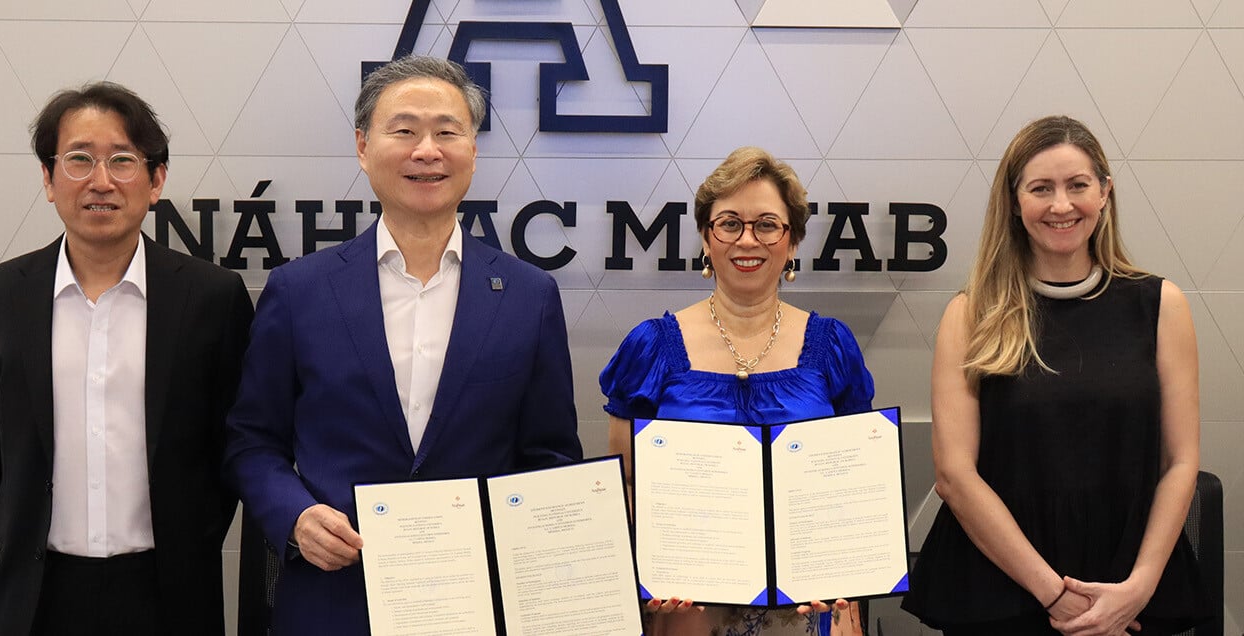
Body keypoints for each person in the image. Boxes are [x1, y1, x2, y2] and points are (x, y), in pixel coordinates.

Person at [224, 55, 583, 635]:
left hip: (478, 605)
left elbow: (549, 457)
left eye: (447, 131)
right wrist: (294, 516)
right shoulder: (299, 290)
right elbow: (251, 441)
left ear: (473, 149)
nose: (427, 150)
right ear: (364, 147)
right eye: (405, 130)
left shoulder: (527, 295)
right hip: (332, 600)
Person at [0, 82, 254, 635]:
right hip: (36, 595)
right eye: (79, 160)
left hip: (168, 594)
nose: (101, 181)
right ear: (47, 178)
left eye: (122, 160)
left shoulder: (212, 298)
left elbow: (230, 445)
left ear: (156, 179)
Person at [901, 115, 1208, 635]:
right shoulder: (971, 313)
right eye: (1041, 188)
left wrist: (1140, 587)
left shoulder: (1161, 306)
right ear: (1014, 202)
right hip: (1001, 589)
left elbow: (1181, 462)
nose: (1061, 205)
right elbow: (955, 475)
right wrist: (1055, 594)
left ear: (1105, 193)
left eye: (1078, 185)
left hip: (1129, 588)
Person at [600, 146, 874, 635]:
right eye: (729, 223)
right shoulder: (651, 348)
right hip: (687, 613)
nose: (748, 240)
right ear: (707, 238)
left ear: (792, 243)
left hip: (810, 612)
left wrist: (849, 583)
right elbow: (624, 484)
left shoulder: (832, 346)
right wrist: (648, 570)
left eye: (768, 224)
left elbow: (854, 492)